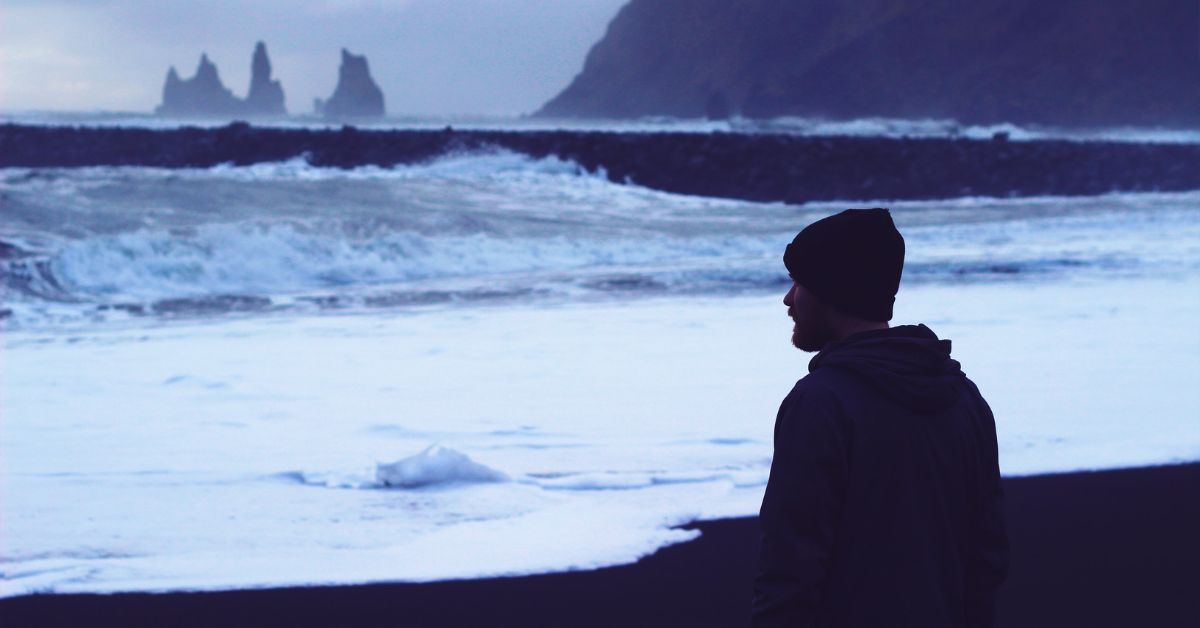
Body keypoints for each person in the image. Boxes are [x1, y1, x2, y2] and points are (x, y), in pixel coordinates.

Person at [751, 208, 1008, 628]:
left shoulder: (820, 402)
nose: (788, 298)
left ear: (830, 292)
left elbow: (790, 568)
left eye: (800, 283)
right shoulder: (964, 397)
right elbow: (987, 558)